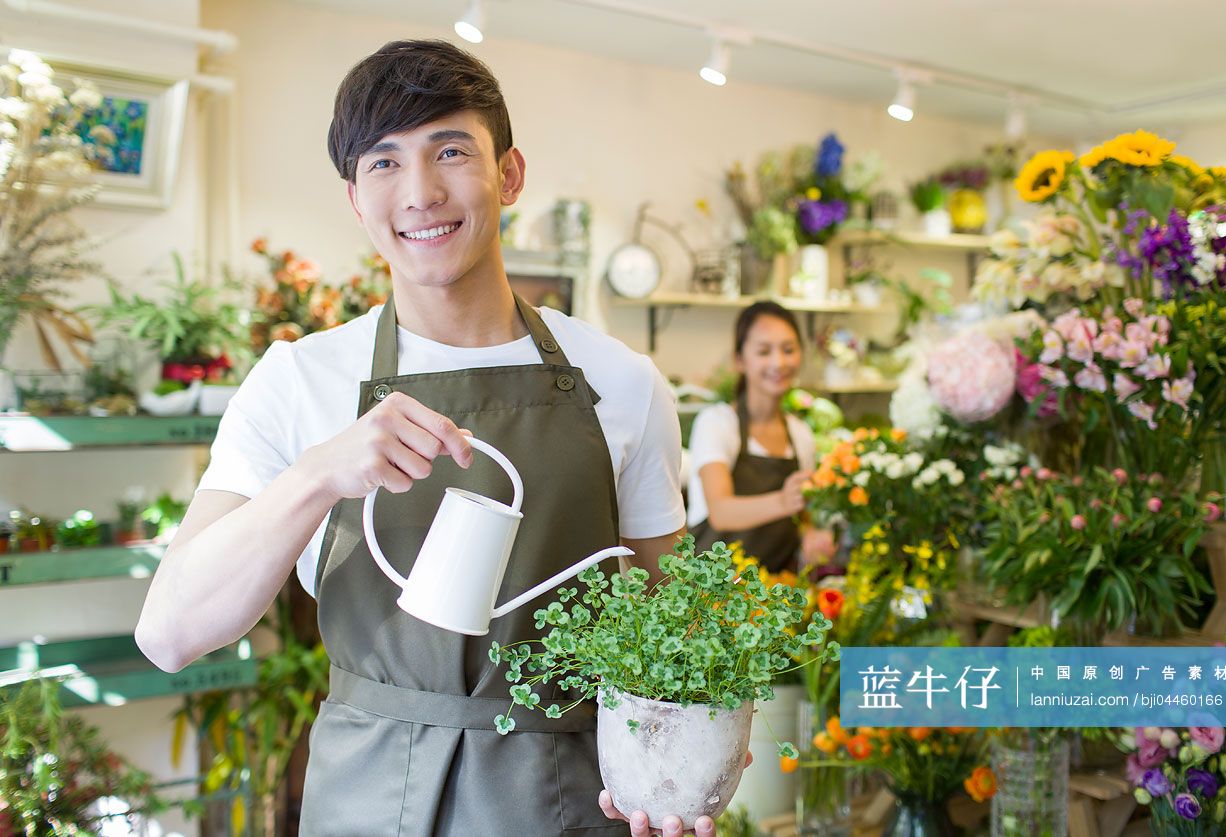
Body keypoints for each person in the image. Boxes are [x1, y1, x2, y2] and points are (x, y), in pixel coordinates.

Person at [134, 39, 719, 837]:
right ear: (353, 196)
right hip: (366, 801)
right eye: (384, 162)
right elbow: (170, 633)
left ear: (508, 174)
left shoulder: (621, 380)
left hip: (566, 799)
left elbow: (671, 624)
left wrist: (686, 757)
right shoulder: (299, 379)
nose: (420, 192)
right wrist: (316, 475)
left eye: (450, 151)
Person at [687, 302, 836, 572]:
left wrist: (812, 535)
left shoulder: (800, 435)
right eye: (764, 351)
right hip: (712, 596)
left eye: (788, 350)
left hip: (775, 594)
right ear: (740, 360)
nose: (778, 362)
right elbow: (720, 511)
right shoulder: (718, 423)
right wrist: (782, 501)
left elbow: (800, 517)